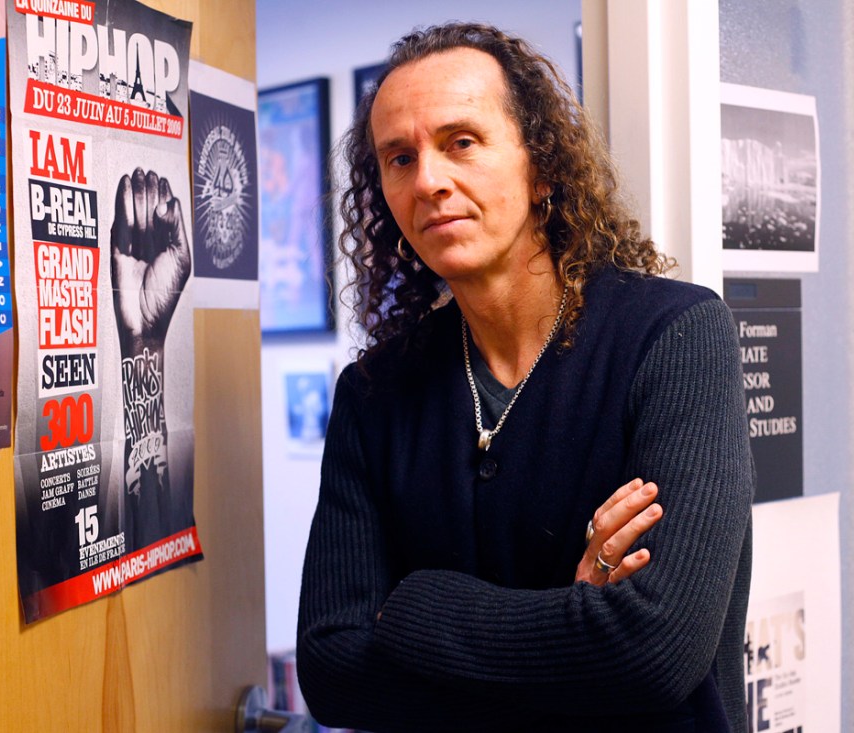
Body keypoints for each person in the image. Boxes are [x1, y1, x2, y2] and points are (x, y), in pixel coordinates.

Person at [296, 22, 754, 733]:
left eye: (461, 142)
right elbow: (331, 670)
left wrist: (416, 609)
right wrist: (576, 626)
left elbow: (658, 648)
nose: (429, 180)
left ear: (540, 164)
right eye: (398, 157)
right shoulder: (375, 394)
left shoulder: (675, 338)